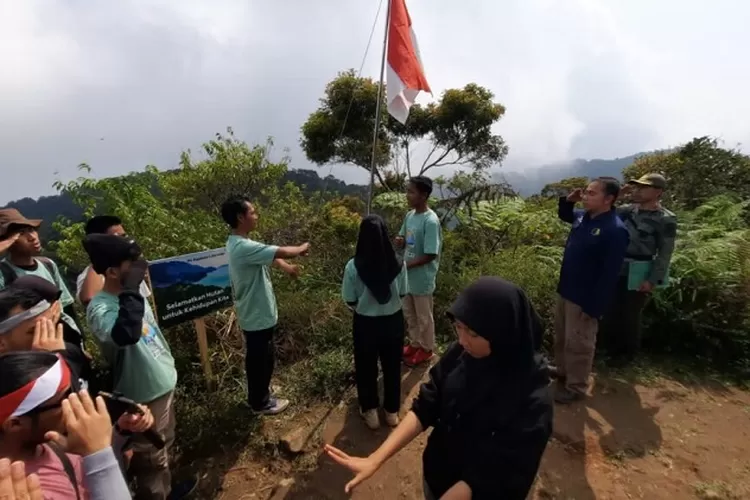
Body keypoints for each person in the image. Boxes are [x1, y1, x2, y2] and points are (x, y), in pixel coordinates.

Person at [326, 277, 553, 500]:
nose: (463, 340)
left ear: (504, 333)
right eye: (459, 327)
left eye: (473, 334)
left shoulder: (532, 397)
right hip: (438, 477)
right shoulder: (461, 355)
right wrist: (375, 459)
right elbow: (427, 405)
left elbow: (496, 474)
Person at [83, 234, 193, 500]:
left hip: (162, 383)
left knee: (164, 444)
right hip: (142, 398)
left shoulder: (133, 294)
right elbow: (126, 334)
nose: (139, 269)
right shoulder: (100, 309)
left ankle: (168, 490)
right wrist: (131, 289)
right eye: (130, 265)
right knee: (149, 462)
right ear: (110, 272)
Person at [0, 350, 153, 500]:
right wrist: (100, 455)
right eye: (63, 400)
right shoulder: (24, 491)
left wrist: (119, 432)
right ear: (15, 424)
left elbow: (87, 473)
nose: (76, 403)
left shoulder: (52, 445)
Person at [221, 195, 310, 416]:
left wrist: (288, 268)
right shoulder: (243, 246)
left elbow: (269, 256)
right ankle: (260, 402)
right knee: (261, 358)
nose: (256, 216)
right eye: (253, 212)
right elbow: (279, 251)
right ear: (241, 217)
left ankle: (261, 391)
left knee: (260, 355)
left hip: (255, 312)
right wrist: (301, 248)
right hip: (256, 313)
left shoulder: (239, 244)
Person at [552, 178, 630, 404]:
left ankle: (576, 386)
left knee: (579, 343)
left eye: (592, 194)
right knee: (562, 337)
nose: (585, 196)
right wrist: (567, 201)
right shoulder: (582, 218)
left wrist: (595, 307)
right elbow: (565, 215)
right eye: (585, 192)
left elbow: (609, 274)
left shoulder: (615, 230)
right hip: (566, 289)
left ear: (609, 199)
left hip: (584, 298)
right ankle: (563, 371)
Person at [599, 173, 677, 365]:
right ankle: (604, 349)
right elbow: (601, 213)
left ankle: (625, 356)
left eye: (644, 187)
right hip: (615, 266)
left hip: (639, 269)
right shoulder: (626, 211)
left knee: (630, 314)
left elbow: (665, 252)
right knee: (608, 309)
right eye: (637, 187)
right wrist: (618, 195)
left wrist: (652, 279)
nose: (638, 191)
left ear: (658, 192)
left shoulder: (665, 219)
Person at [342, 215, 408, 430]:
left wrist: (364, 306)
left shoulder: (353, 266)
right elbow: (404, 293)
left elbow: (349, 298)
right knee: (392, 366)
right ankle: (391, 412)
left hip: (365, 324)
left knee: (366, 366)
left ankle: (370, 411)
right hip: (393, 322)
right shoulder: (399, 263)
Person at [0, 208, 83, 347]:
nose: (32, 237)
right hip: (34, 347)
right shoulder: (3, 272)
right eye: (20, 234)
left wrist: (80, 343)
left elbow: (66, 307)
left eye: (31, 230)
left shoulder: (48, 264)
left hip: (65, 339)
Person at [0, 276, 90, 387]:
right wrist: (47, 364)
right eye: (35, 331)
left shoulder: (70, 353)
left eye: (50, 325)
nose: (47, 337)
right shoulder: (8, 386)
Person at [395, 176, 442, 368]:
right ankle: (414, 344)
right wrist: (400, 240)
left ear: (424, 195)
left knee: (424, 317)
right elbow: (404, 236)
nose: (408, 195)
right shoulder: (410, 216)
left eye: (411, 192)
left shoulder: (430, 221)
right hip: (407, 278)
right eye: (408, 191)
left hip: (422, 278)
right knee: (410, 314)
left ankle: (426, 349)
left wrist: (408, 265)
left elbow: (431, 254)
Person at [77, 215, 152, 307]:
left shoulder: (129, 266)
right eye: (118, 238)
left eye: (125, 236)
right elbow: (90, 298)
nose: (124, 241)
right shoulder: (87, 277)